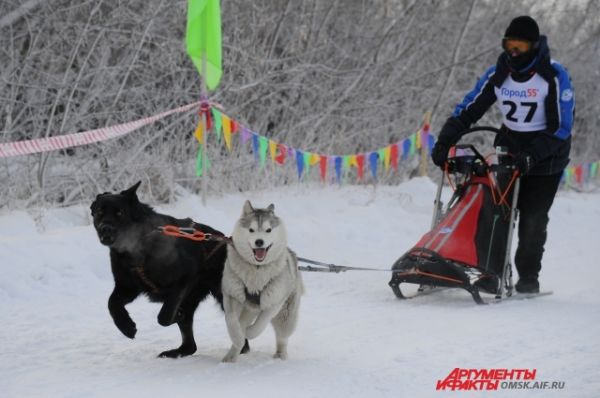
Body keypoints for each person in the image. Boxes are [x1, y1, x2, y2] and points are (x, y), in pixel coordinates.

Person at [431, 16, 574, 293]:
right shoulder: (498, 73)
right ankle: (489, 271)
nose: (513, 53)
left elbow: (561, 127)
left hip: (548, 153)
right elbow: (468, 109)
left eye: (519, 46)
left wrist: (532, 156)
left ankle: (528, 278)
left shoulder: (554, 76)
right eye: (509, 45)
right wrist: (445, 140)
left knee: (532, 218)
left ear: (533, 47)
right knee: (497, 212)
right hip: (511, 144)